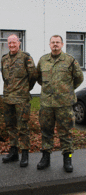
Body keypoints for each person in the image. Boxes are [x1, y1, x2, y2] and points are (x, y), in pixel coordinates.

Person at [37, 35, 84, 172]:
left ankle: (67, 159)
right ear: (49, 44)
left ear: (62, 44)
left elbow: (79, 78)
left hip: (64, 104)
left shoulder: (70, 61)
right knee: (46, 132)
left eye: (58, 42)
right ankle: (45, 158)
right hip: (47, 104)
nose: (55, 44)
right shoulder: (43, 60)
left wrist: (67, 90)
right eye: (53, 42)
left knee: (66, 133)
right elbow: (39, 78)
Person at [1, 34, 38, 167]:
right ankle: (13, 152)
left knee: (23, 127)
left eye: (14, 42)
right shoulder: (4, 59)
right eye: (9, 43)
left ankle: (25, 154)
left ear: (19, 43)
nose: (11, 45)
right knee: (10, 126)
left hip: (21, 98)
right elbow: (5, 77)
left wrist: (26, 88)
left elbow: (33, 75)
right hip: (8, 98)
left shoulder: (26, 57)